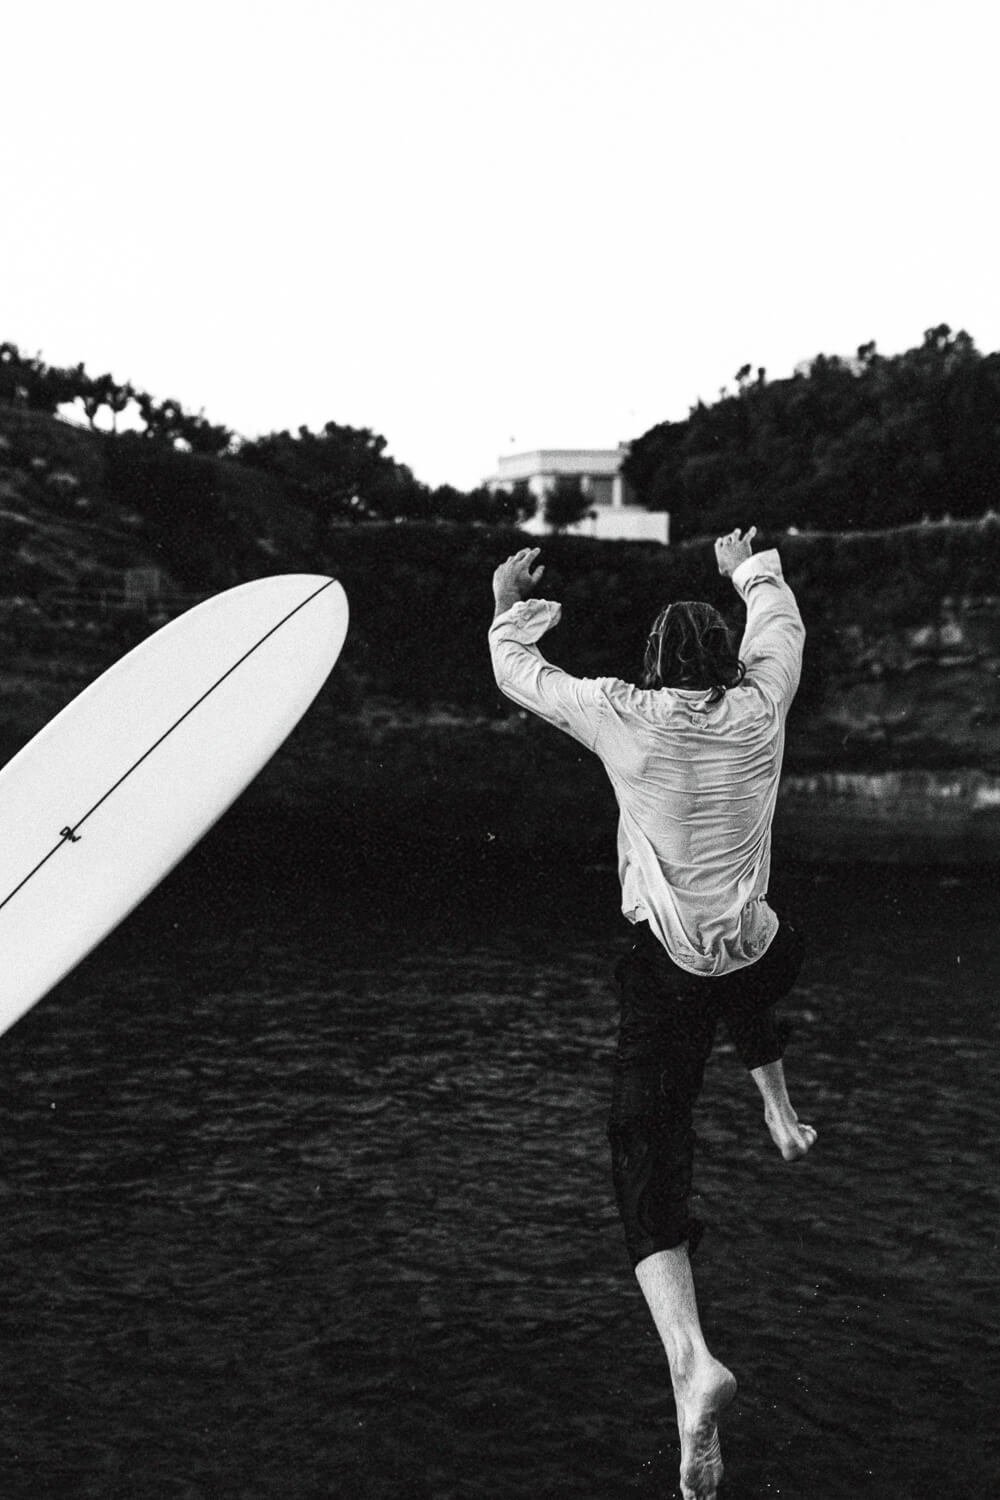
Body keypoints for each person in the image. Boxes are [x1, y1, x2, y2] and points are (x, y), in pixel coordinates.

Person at [488, 528, 817, 1500]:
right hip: (759, 944)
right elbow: (779, 623)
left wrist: (513, 602)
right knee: (744, 983)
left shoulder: (623, 715)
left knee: (644, 1144)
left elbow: (523, 676)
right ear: (727, 660)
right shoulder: (763, 705)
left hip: (666, 964)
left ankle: (690, 1360)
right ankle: (775, 1109)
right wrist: (746, 570)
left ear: (652, 666)